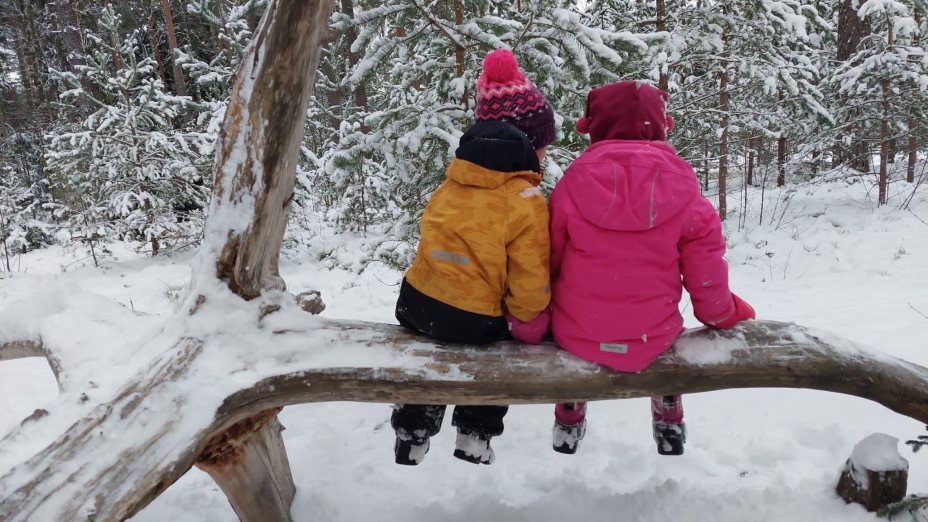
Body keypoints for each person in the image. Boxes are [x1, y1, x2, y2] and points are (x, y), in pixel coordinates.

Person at [548, 80, 755, 456]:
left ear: (594, 128)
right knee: (665, 339)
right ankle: (668, 415)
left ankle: (569, 410)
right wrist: (726, 312)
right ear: (660, 126)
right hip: (653, 334)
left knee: (576, 331)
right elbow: (706, 272)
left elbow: (551, 263)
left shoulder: (571, 185)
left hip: (578, 329)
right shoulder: (684, 188)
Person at [391, 49, 554, 466]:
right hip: (476, 318)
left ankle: (413, 431)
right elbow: (529, 281)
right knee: (493, 345)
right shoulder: (525, 199)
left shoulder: (454, 179)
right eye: (543, 148)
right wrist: (526, 317)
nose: (546, 157)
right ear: (525, 145)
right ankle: (475, 432)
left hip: (415, 302)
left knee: (431, 343)